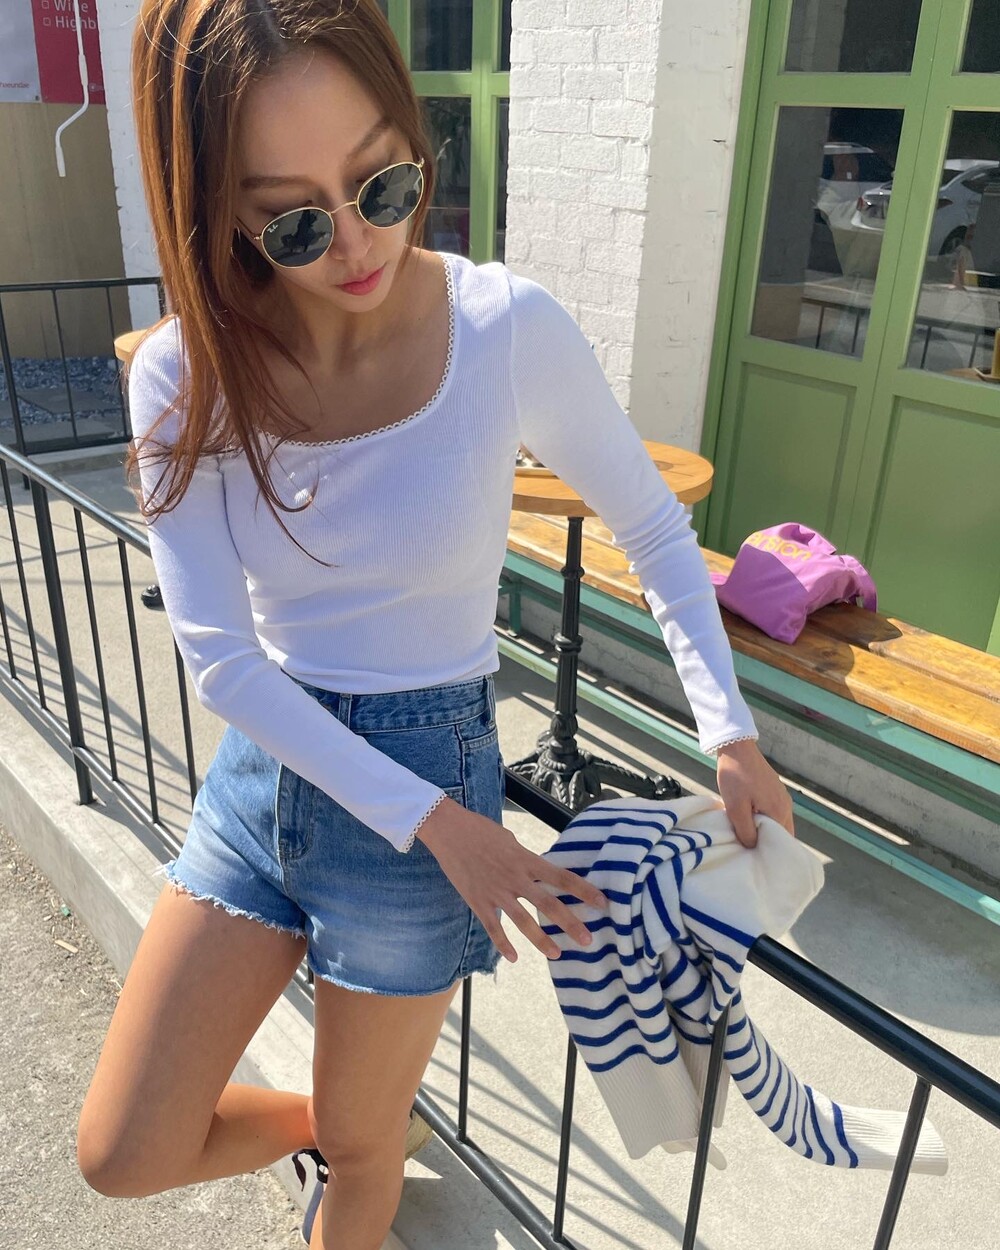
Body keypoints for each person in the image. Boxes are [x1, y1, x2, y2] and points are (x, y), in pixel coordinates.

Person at [76, 2, 795, 1247]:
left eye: (385, 184)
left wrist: (728, 730)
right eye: (295, 221)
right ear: (223, 215)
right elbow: (223, 661)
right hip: (274, 769)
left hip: (431, 748)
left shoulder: (503, 327)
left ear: (415, 140)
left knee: (363, 1161)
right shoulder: (185, 371)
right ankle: (351, 1119)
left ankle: (363, 1130)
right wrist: (445, 827)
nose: (357, 243)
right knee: (122, 1150)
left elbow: (651, 524)